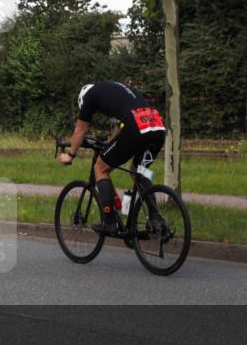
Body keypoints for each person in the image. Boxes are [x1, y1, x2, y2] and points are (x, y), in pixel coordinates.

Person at [58, 81, 166, 235]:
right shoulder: (114, 89)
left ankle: (110, 222)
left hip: (135, 128)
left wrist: (70, 155)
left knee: (100, 168)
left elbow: (80, 129)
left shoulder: (90, 96)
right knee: (138, 171)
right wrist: (110, 143)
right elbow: (121, 124)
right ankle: (156, 219)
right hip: (157, 127)